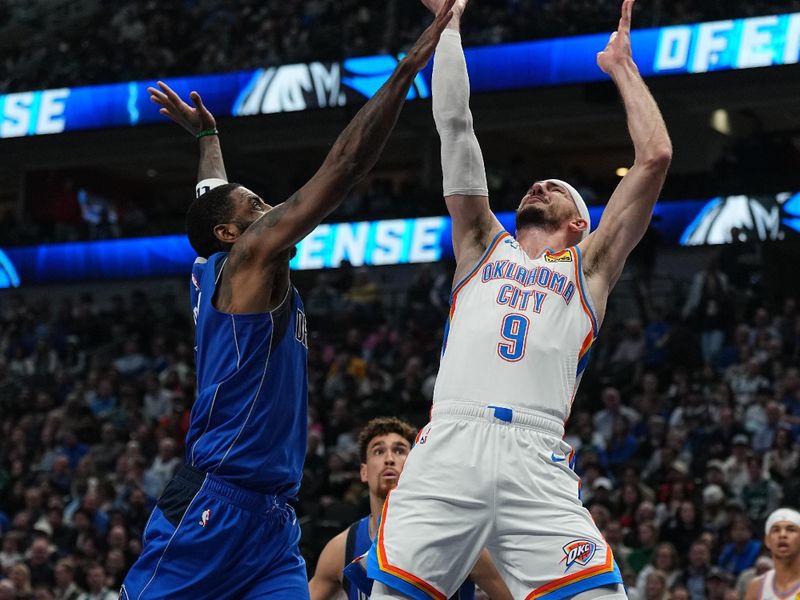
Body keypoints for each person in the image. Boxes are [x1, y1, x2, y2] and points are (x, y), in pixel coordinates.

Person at [120, 4, 458, 598]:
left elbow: (211, 198)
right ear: (235, 236)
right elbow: (347, 166)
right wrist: (408, 68)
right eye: (256, 207)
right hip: (210, 509)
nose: (269, 210)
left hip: (273, 522)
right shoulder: (250, 260)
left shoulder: (212, 263)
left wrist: (208, 137)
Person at [359, 0, 672, 598]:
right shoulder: (480, 243)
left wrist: (622, 67)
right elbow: (455, 125)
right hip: (453, 439)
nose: (541, 183)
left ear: (581, 222)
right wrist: (448, 25)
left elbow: (654, 157)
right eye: (539, 181)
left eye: (559, 188)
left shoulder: (591, 268)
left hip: (536, 453)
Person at [308, 417, 511, 600]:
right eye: (379, 451)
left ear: (415, 465)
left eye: (399, 450)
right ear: (363, 472)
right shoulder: (341, 548)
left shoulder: (455, 534)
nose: (389, 459)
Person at [744, 508, 800, 600]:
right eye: (776, 530)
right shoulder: (757, 587)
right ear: (767, 541)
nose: (782, 535)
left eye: (791, 530)